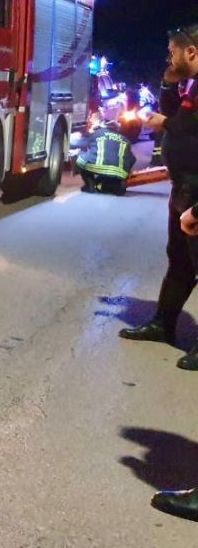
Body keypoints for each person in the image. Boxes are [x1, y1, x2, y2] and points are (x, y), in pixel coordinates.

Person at [118, 23, 198, 373]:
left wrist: (166, 123)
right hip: (183, 186)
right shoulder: (190, 84)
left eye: (173, 52)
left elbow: (181, 125)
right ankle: (163, 324)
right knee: (179, 260)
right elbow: (179, 118)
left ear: (190, 52)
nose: (170, 57)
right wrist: (168, 82)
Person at [74, 119, 136, 195]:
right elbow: (133, 159)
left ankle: (89, 185)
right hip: (120, 173)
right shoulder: (126, 140)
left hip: (98, 168)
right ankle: (113, 185)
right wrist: (127, 171)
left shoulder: (97, 133)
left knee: (80, 157)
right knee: (110, 175)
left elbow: (79, 144)